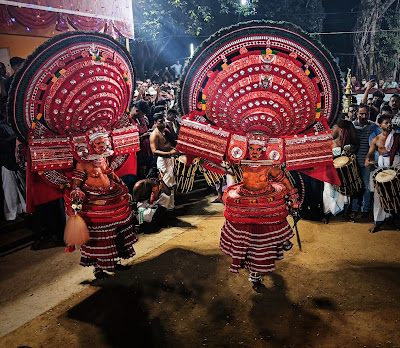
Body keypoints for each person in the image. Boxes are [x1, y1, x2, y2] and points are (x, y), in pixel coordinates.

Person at [219, 134, 299, 289]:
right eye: (251, 148)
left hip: (265, 204)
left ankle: (277, 245)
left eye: (258, 149)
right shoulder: (242, 163)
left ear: (263, 150)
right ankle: (253, 270)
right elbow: (225, 157)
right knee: (249, 242)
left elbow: (285, 181)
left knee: (263, 242)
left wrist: (294, 198)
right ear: (247, 148)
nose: (254, 152)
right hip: (246, 204)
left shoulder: (269, 166)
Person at [65, 126, 137, 279]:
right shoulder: (83, 164)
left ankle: (113, 261)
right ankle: (98, 269)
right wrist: (77, 193)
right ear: (91, 145)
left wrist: (121, 185)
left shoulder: (103, 158)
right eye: (98, 144)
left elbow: (110, 174)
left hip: (112, 199)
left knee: (115, 233)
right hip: (95, 204)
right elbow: (76, 183)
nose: (102, 146)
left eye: (103, 143)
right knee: (100, 237)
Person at [365, 115, 399, 232]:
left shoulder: (397, 137)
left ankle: (392, 220)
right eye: (386, 123)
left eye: (390, 123)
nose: (389, 125)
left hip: (395, 167)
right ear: (380, 125)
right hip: (381, 168)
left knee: (394, 194)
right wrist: (368, 160)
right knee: (378, 196)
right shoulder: (376, 139)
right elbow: (370, 153)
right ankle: (377, 221)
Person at [323, 117, 359, 223]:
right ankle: (327, 213)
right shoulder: (324, 124)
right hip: (328, 162)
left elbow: (356, 144)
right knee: (328, 189)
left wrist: (349, 151)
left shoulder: (348, 126)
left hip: (343, 162)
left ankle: (345, 214)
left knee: (345, 189)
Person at [350, 104, 380, 220]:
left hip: (368, 162)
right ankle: (354, 208)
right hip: (353, 162)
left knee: (367, 187)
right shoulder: (351, 126)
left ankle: (365, 209)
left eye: (366, 114)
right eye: (361, 113)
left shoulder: (374, 127)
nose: (364, 116)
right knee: (355, 186)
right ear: (356, 114)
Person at [149, 113, 180, 210]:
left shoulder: (164, 131)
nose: (163, 124)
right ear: (155, 123)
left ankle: (170, 206)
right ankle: (164, 207)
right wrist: (169, 154)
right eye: (160, 122)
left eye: (163, 121)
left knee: (171, 182)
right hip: (163, 160)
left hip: (169, 158)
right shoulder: (154, 135)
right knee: (165, 183)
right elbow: (154, 151)